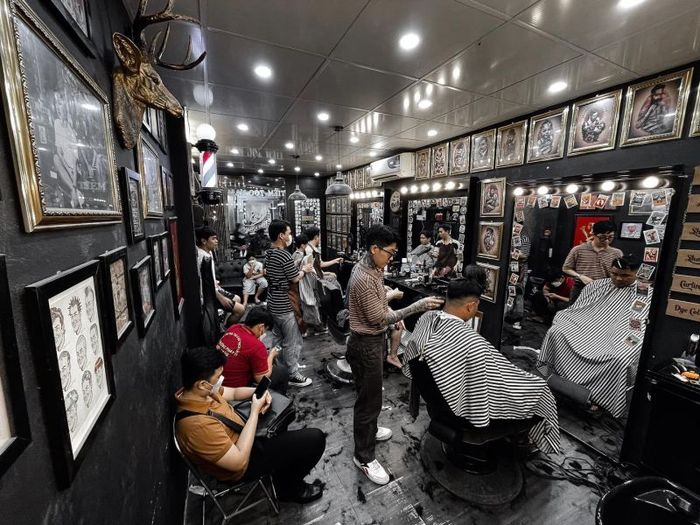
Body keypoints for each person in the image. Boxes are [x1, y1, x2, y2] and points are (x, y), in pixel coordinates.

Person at [403, 277, 560, 453]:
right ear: (471, 306)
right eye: (477, 305)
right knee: (542, 392)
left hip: (436, 402)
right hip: (462, 415)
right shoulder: (474, 345)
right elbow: (499, 386)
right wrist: (536, 384)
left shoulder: (426, 319)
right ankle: (525, 438)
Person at [346, 224, 443, 485]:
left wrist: (389, 308)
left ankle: (370, 430)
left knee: (369, 395)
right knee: (369, 402)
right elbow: (379, 318)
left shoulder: (372, 268)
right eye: (389, 253)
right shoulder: (364, 278)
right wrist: (416, 306)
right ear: (374, 249)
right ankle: (364, 457)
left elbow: (378, 308)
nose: (391, 258)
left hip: (370, 340)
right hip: (365, 344)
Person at [174, 347, 326, 503]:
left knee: (282, 405)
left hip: (243, 431)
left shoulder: (201, 392)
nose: (221, 379)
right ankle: (288, 490)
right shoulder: (197, 426)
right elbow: (238, 462)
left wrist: (259, 392)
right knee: (315, 439)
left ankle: (282, 466)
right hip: (244, 462)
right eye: (218, 377)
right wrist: (254, 411)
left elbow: (233, 393)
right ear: (202, 384)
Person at [539, 256, 652, 418]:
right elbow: (578, 310)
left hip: (619, 335)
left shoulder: (645, 293)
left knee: (621, 358)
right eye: (614, 273)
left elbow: (637, 324)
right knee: (556, 332)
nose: (618, 278)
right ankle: (552, 376)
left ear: (637, 273)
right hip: (587, 329)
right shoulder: (597, 285)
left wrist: (621, 337)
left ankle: (601, 399)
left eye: (625, 275)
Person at [264, 220, 314, 387]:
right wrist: (304, 270)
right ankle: (292, 375)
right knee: (293, 340)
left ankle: (280, 368)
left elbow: (267, 273)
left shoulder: (269, 253)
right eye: (289, 233)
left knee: (278, 337)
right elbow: (294, 278)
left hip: (273, 301)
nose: (290, 236)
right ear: (281, 235)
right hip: (285, 303)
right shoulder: (283, 254)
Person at [217, 306, 288, 395]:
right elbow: (261, 378)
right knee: (282, 371)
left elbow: (242, 348)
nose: (263, 333)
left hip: (217, 380)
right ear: (261, 327)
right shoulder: (257, 346)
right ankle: (276, 400)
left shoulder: (234, 328)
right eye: (265, 330)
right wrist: (271, 355)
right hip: (234, 389)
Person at [562, 221, 622, 304]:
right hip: (581, 288)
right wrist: (580, 276)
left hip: (604, 289)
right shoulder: (578, 249)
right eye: (602, 237)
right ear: (593, 234)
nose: (607, 240)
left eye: (610, 237)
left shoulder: (617, 253)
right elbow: (566, 268)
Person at [195, 226, 245, 318]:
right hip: (208, 295)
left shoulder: (209, 252)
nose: (216, 241)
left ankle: (221, 318)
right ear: (204, 241)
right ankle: (224, 324)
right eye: (213, 239)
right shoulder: (202, 257)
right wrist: (221, 297)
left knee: (237, 298)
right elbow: (205, 283)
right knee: (240, 310)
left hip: (215, 288)